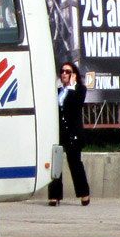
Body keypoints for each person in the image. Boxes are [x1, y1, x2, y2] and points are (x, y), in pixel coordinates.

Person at [49, 61, 91, 206]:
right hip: (59, 132)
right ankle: (54, 196)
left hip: (73, 132)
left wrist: (72, 87)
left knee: (75, 163)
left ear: (74, 74)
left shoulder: (79, 90)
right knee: (56, 164)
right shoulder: (58, 91)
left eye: (67, 71)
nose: (64, 74)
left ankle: (84, 194)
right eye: (62, 71)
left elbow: (76, 103)